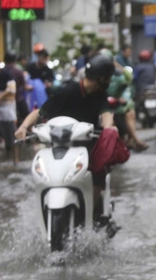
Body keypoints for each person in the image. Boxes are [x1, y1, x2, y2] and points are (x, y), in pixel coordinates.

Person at [15, 54, 117, 219]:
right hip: (61, 145)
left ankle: (92, 211)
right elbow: (40, 112)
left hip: (87, 143)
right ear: (102, 79)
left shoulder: (99, 96)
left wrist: (109, 129)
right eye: (109, 78)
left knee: (98, 171)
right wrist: (23, 127)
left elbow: (106, 114)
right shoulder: (68, 91)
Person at [0, 53, 19, 165]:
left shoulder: (7, 75)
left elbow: (11, 89)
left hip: (8, 111)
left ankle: (15, 159)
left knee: (12, 136)